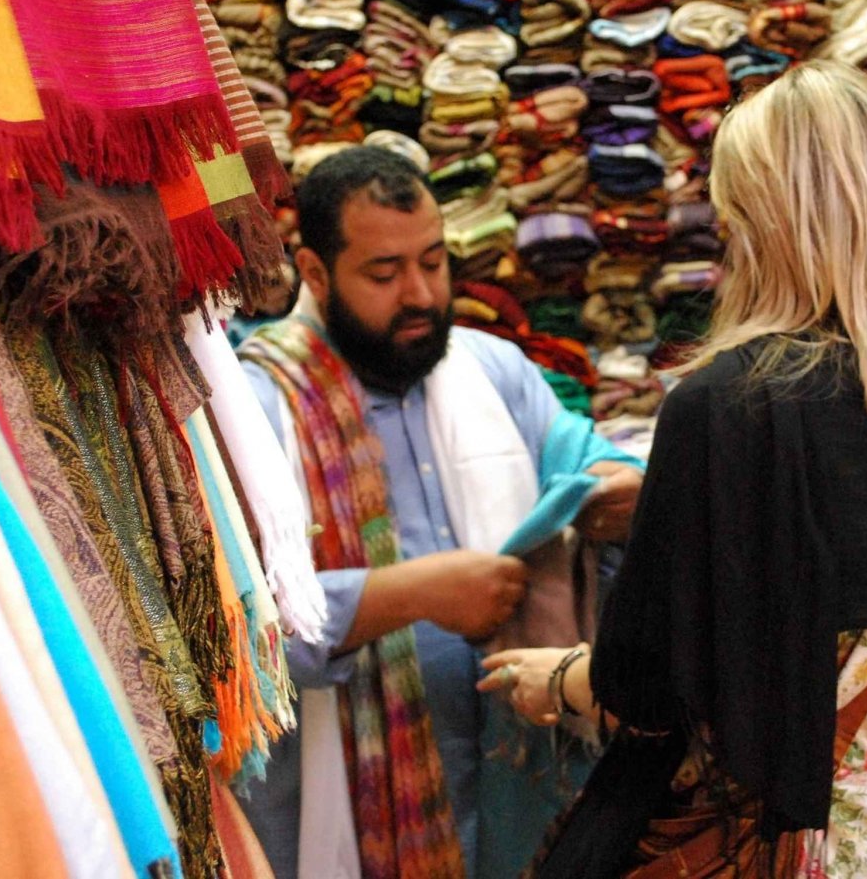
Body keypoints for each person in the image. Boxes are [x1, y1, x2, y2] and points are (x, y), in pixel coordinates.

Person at [482, 59, 867, 878]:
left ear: (756, 225)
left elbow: (653, 694)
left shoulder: (724, 408)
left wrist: (562, 679)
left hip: (806, 843)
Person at [236, 145, 644, 879]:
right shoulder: (256, 409)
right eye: (385, 274)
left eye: (433, 261)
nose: (421, 294)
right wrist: (409, 595)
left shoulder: (494, 371)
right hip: (341, 814)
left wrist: (618, 492)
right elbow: (238, 631)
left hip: (510, 794)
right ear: (316, 273)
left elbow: (591, 462)